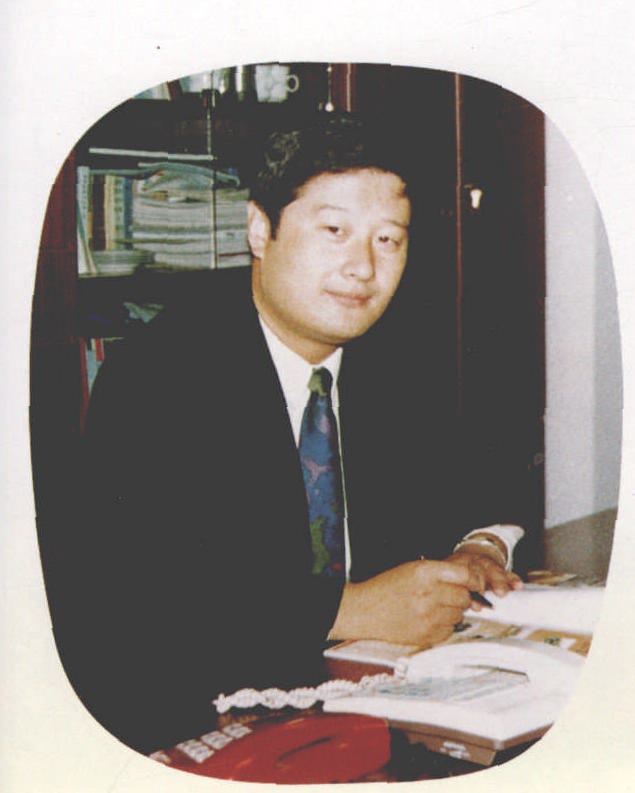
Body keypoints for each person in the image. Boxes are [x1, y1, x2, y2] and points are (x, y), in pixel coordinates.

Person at [53, 112, 525, 755]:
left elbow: (481, 476)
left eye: (388, 239)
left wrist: (479, 547)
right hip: (194, 720)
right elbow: (137, 598)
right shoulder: (159, 371)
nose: (363, 267)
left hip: (374, 703)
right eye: (334, 231)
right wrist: (348, 608)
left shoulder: (400, 356)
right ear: (260, 229)